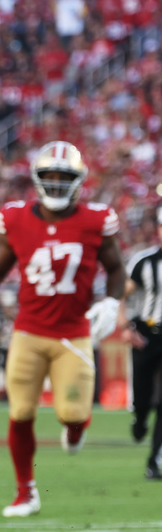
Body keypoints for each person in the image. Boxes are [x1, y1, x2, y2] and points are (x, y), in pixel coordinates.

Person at [0, 141, 126, 516]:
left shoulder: (95, 220)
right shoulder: (17, 218)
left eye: (65, 176)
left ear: (78, 180)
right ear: (37, 179)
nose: (57, 183)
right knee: (20, 412)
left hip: (73, 334)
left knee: (73, 414)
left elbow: (115, 269)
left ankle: (75, 429)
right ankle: (25, 492)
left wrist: (112, 301)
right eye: (50, 176)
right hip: (28, 333)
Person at [119, 206, 162, 480]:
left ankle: (154, 461)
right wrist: (125, 327)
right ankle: (140, 418)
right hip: (147, 335)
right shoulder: (144, 261)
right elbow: (120, 295)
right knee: (143, 397)